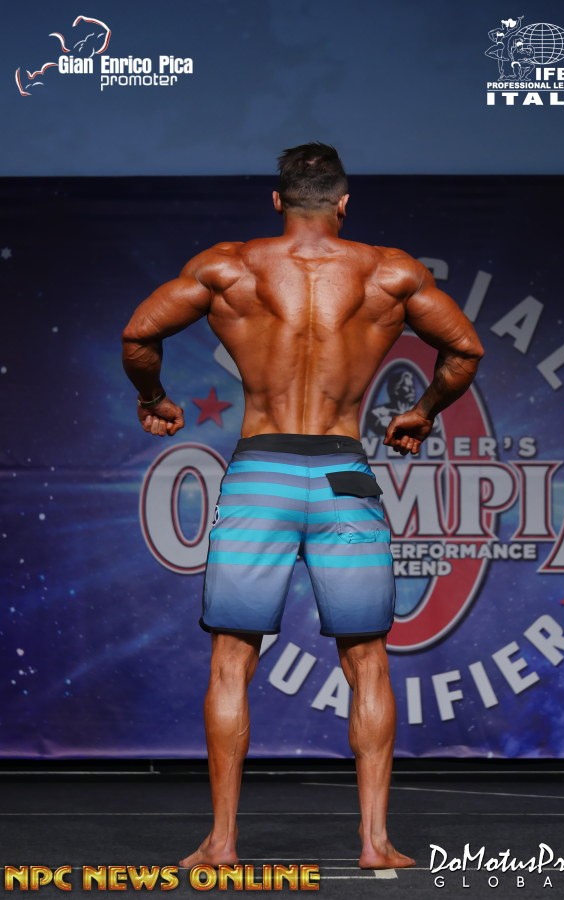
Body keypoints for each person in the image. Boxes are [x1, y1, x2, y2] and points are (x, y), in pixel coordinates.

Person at [122, 142, 484, 870]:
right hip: (344, 474)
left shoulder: (230, 267)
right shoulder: (389, 273)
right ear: (344, 203)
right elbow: (465, 350)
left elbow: (139, 334)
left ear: (277, 200)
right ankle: (375, 843)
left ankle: (222, 843)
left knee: (232, 661)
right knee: (368, 661)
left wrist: (154, 397)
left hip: (261, 475)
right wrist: (422, 413)